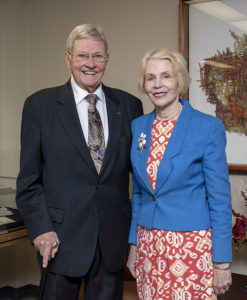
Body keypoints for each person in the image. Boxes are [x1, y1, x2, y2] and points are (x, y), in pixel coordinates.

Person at [16, 23, 143, 300]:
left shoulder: (130, 106)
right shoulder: (39, 106)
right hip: (59, 240)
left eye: (98, 56)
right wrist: (41, 229)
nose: (90, 63)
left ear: (106, 60)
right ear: (67, 58)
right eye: (82, 55)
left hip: (112, 241)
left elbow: (142, 177)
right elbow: (28, 181)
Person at [127, 48, 232, 299]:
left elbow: (220, 199)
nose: (157, 84)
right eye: (150, 77)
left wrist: (222, 263)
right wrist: (134, 244)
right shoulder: (139, 126)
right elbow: (140, 193)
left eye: (166, 76)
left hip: (189, 246)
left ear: (180, 81)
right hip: (149, 244)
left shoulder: (207, 127)